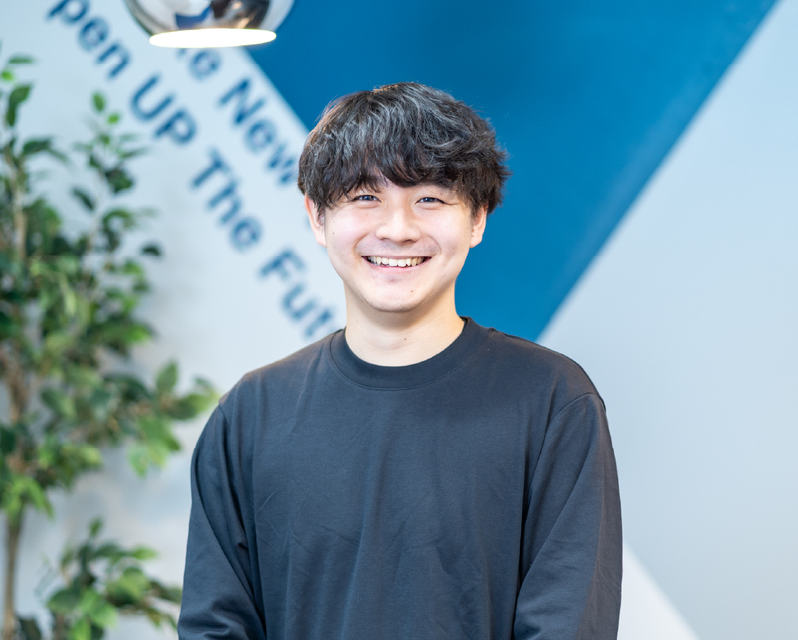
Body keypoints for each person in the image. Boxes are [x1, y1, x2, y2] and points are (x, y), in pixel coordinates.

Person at [179, 82, 622, 640]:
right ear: (317, 217)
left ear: (478, 218)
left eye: (430, 199)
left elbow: (567, 626)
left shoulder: (553, 401)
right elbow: (215, 626)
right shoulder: (250, 415)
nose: (397, 229)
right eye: (366, 197)